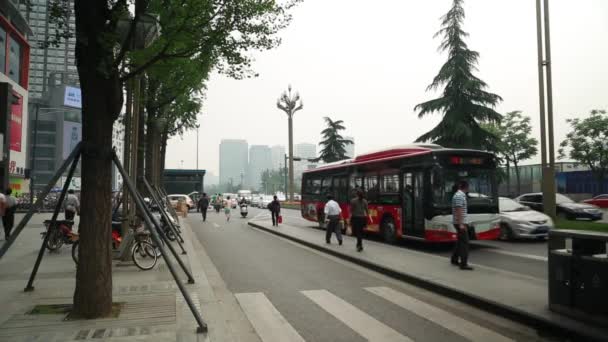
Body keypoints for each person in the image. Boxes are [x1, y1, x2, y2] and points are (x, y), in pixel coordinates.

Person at [451, 180, 473, 270]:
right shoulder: (460, 196)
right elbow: (458, 210)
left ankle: (454, 259)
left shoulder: (459, 195)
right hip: (460, 223)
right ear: (466, 187)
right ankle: (463, 264)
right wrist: (461, 224)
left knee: (460, 241)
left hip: (459, 222)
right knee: (465, 243)